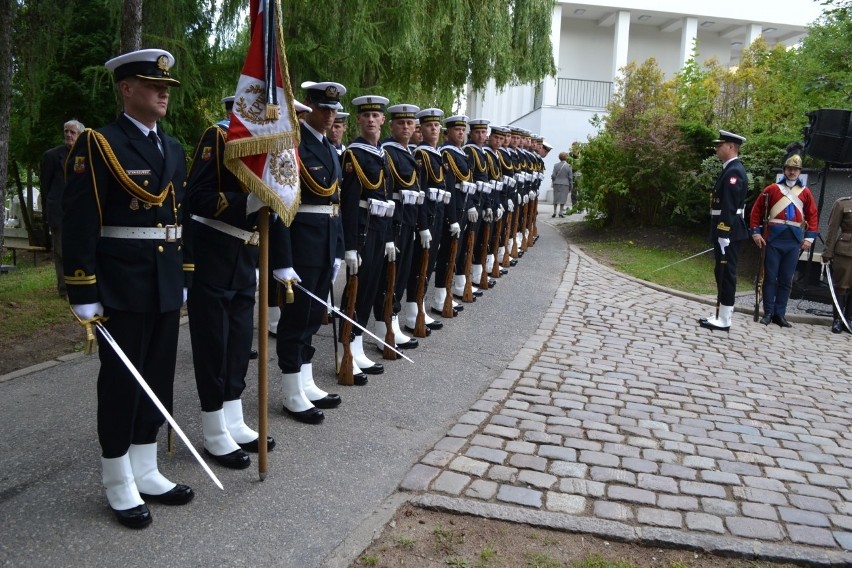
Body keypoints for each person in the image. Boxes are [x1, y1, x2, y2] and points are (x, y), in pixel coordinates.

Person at [62, 49, 193, 529]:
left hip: (162, 279)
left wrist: (185, 276)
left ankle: (146, 467)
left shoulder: (172, 148)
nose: (163, 92)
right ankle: (117, 478)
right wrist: (83, 289)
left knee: (156, 377)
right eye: (153, 85)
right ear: (126, 89)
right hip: (120, 281)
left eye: (166, 87)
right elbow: (77, 221)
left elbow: (181, 220)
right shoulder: (99, 144)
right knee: (121, 383)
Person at [185, 95, 274, 469]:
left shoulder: (266, 145)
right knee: (214, 345)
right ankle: (213, 428)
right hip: (214, 253)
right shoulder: (217, 138)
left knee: (239, 343)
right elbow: (196, 197)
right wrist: (245, 204)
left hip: (245, 255)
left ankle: (234, 418)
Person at [275, 81, 351, 423]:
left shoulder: (330, 148)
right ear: (308, 106)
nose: (330, 115)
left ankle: (306, 381)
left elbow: (335, 204)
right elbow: (281, 207)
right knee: (295, 320)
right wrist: (283, 260)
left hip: (324, 244)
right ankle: (292, 391)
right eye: (323, 108)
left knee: (312, 319)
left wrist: (337, 249)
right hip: (301, 244)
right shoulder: (293, 145)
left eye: (334, 109)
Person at [339, 95, 391, 376]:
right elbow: (348, 203)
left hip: (379, 228)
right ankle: (344, 347)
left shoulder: (383, 153)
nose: (371, 120)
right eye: (366, 115)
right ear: (358, 120)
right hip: (361, 229)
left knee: (370, 288)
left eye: (376, 115)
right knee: (355, 290)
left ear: (383, 120)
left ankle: (357, 343)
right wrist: (349, 246)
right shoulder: (353, 154)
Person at [749, 145, 818, 328]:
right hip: (773, 238)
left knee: (786, 279)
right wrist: (756, 233)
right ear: (784, 170)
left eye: (795, 169)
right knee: (770, 277)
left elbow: (812, 216)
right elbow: (756, 212)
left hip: (793, 240)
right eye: (789, 169)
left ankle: (780, 314)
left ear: (799, 172)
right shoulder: (772, 189)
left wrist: (809, 238)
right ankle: (768, 312)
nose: (792, 172)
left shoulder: (806, 193)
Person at [372, 103, 421, 351]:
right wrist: (389, 234)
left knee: (400, 276)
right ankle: (384, 328)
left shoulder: (407, 151)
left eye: (409, 123)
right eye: (400, 123)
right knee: (388, 279)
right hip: (396, 223)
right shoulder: (388, 152)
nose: (405, 127)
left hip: (408, 221)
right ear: (390, 125)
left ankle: (393, 322)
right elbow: (386, 194)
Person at [699, 130, 748, 332]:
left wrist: (724, 233)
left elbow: (729, 206)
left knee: (726, 272)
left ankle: (725, 318)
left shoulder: (734, 171)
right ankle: (721, 313)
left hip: (729, 231)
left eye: (720, 145)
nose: (716, 148)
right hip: (726, 230)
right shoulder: (729, 169)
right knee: (721, 271)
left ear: (731, 147)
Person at [40, 119, 84, 296]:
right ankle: (64, 289)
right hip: (58, 211)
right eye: (66, 131)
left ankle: (80, 284)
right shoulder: (52, 156)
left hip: (79, 212)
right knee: (60, 251)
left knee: (79, 249)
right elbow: (45, 186)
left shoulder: (83, 155)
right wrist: (47, 212)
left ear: (79, 135)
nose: (68, 135)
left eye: (72, 132)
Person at [822, 195, 852, 333]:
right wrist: (827, 253)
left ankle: (849, 319)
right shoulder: (842, 203)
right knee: (841, 286)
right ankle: (837, 320)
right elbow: (832, 229)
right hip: (845, 251)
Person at [551, 151, 573, 218]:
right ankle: (561, 212)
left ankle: (554, 212)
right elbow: (570, 177)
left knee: (556, 198)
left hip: (557, 183)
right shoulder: (569, 166)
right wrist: (571, 186)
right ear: (566, 158)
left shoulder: (556, 165)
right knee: (563, 198)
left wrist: (554, 181)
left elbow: (553, 175)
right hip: (565, 184)